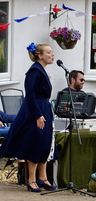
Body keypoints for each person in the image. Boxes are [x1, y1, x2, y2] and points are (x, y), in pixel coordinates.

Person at [0, 43, 56, 192]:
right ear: (40, 55)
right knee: (35, 144)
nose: (52, 55)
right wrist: (37, 115)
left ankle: (43, 178)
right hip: (35, 110)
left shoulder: (41, 70)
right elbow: (30, 94)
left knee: (44, 144)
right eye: (49, 52)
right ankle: (31, 180)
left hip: (44, 107)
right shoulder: (34, 71)